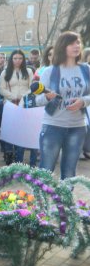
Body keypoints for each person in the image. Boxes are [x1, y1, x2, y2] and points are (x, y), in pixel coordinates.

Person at [37, 31, 90, 179]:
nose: (76, 46)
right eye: (71, 43)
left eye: (78, 42)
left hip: (78, 127)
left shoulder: (86, 70)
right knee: (45, 171)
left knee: (69, 172)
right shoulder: (49, 71)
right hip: (53, 126)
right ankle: (42, 202)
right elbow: (37, 100)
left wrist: (83, 101)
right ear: (62, 46)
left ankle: (64, 203)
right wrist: (47, 97)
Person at [0, 49, 34, 165]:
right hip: (9, 104)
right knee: (10, 130)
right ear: (11, 59)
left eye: (20, 58)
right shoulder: (5, 72)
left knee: (21, 131)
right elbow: (1, 89)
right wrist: (13, 96)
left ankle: (19, 157)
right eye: (15, 58)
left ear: (23, 59)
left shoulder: (28, 71)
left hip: (24, 104)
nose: (17, 61)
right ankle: (9, 154)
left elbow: (31, 87)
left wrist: (22, 97)